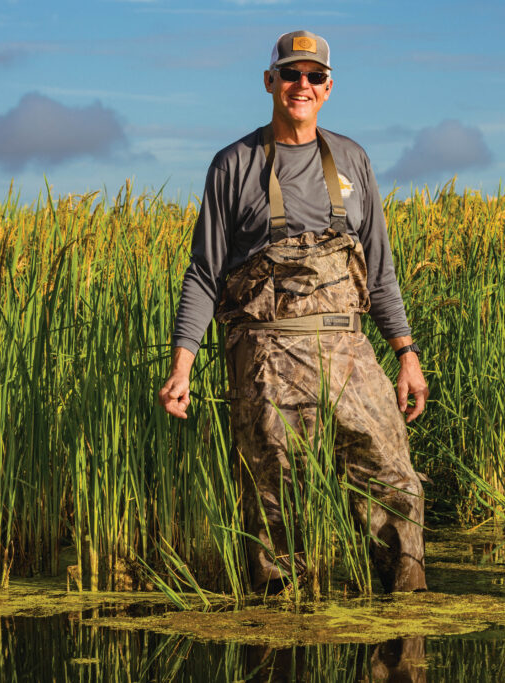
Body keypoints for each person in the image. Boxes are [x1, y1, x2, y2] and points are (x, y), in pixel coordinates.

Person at [158, 30, 428, 593]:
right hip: (264, 360)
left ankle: (404, 629)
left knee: (396, 487)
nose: (301, 85)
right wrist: (181, 366)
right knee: (273, 507)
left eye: (313, 76)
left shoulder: (353, 159)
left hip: (351, 355)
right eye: (290, 74)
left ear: (329, 87)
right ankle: (279, 639)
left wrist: (406, 356)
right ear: (269, 82)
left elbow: (379, 273)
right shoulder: (232, 165)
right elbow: (204, 274)